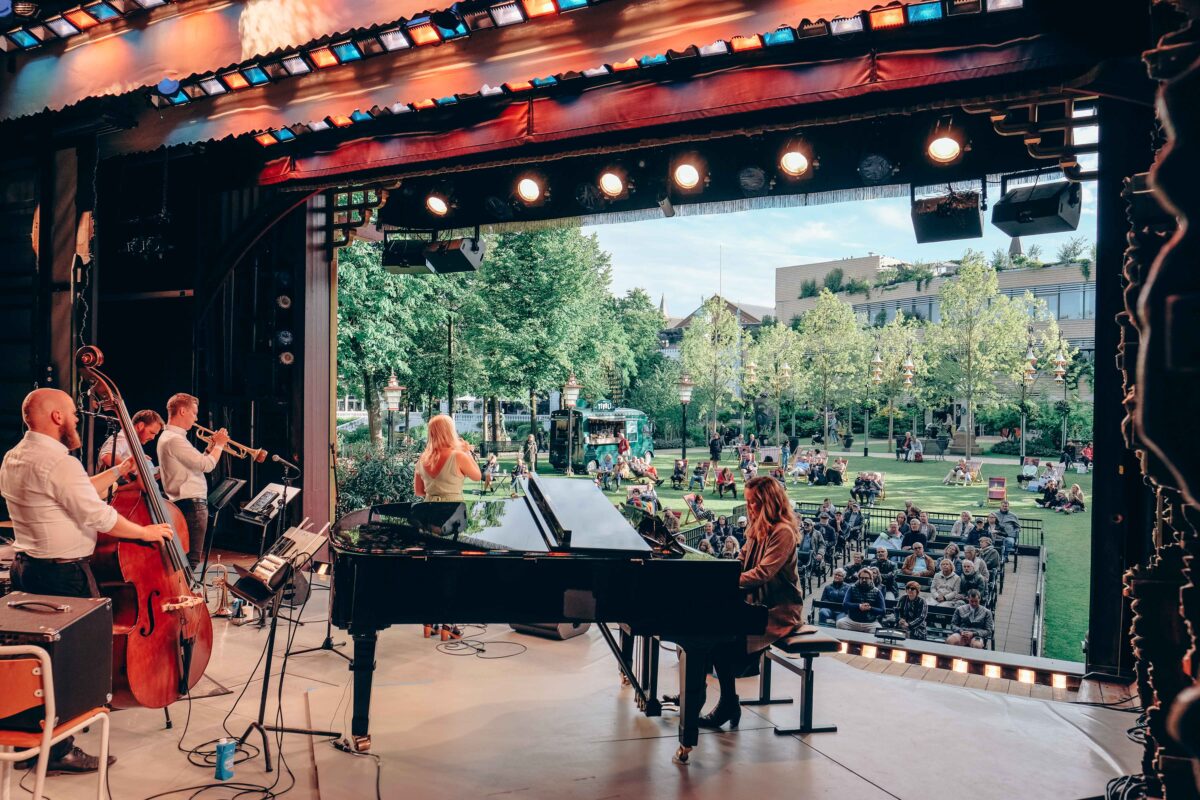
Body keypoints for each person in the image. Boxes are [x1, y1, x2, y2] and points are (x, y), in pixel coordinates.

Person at [0, 388, 174, 775]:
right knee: (70, 665)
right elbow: (100, 517)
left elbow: (73, 494)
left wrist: (117, 473)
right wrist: (146, 533)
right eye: (73, 414)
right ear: (57, 418)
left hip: (28, 570)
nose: (78, 419)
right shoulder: (58, 461)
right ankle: (60, 751)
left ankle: (30, 745)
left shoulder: (15, 457)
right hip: (65, 576)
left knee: (35, 662)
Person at [697, 477, 803, 729]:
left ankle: (727, 702)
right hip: (754, 602)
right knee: (706, 628)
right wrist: (715, 574)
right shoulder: (757, 528)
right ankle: (701, 692)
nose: (749, 508)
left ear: (768, 502)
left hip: (779, 609)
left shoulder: (783, 532)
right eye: (747, 502)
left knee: (722, 641)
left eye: (753, 502)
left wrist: (724, 584)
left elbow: (763, 574)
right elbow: (741, 563)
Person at [157, 393, 229, 571]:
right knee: (191, 560)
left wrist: (209, 449)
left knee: (186, 560)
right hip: (191, 506)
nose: (196, 418)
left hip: (183, 504)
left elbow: (195, 465)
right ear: (182, 411)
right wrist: (219, 445)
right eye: (194, 413)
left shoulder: (170, 437)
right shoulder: (175, 440)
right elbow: (207, 465)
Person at [414, 414, 483, 502]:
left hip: (429, 509)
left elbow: (419, 491)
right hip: (453, 509)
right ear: (451, 431)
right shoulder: (459, 456)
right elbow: (477, 477)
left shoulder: (423, 458)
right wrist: (467, 452)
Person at [96, 409, 164, 471]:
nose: (153, 438)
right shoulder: (124, 438)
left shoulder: (132, 442)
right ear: (141, 426)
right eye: (152, 432)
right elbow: (107, 456)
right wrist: (132, 468)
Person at [837, 568, 886, 633]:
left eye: (866, 578)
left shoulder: (877, 591)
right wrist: (859, 606)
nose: (864, 580)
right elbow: (845, 604)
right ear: (859, 578)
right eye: (861, 578)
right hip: (852, 621)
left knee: (878, 629)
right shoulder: (852, 588)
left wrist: (870, 608)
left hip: (869, 623)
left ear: (871, 579)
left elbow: (882, 610)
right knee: (840, 623)